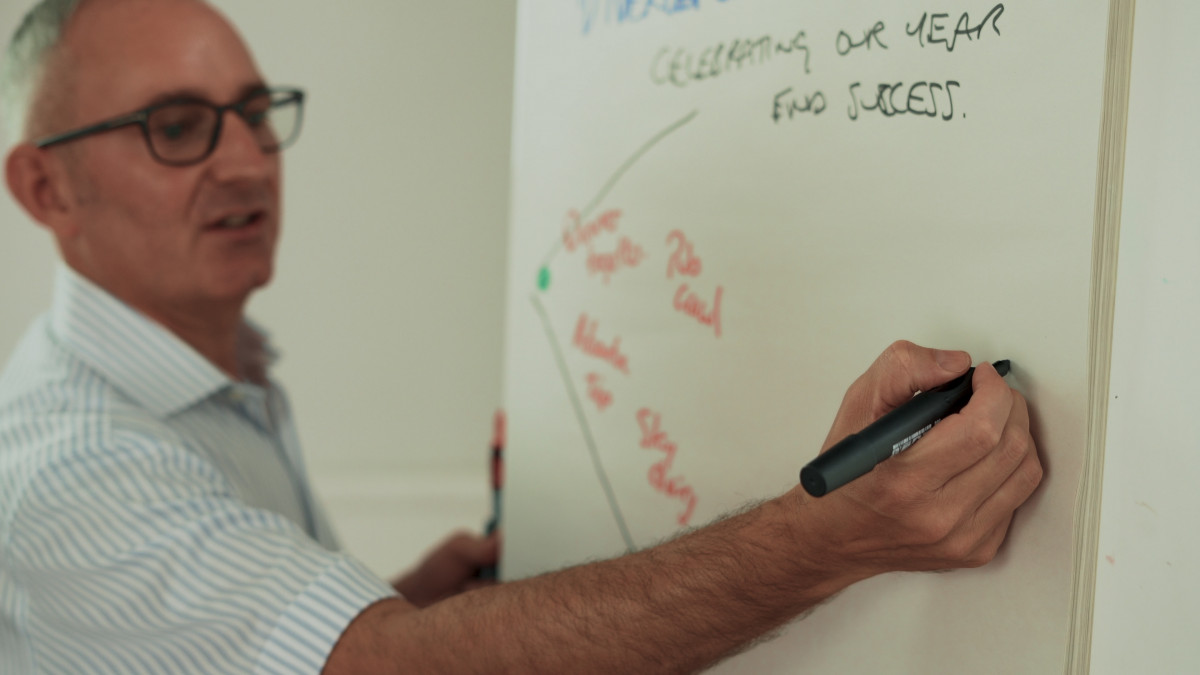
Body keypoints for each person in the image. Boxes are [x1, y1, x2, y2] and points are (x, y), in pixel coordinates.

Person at [0, 0, 1043, 672]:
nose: (246, 160)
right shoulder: (75, 468)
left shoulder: (220, 377)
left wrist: (403, 597)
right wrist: (824, 540)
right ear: (45, 186)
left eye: (256, 111)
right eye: (177, 127)